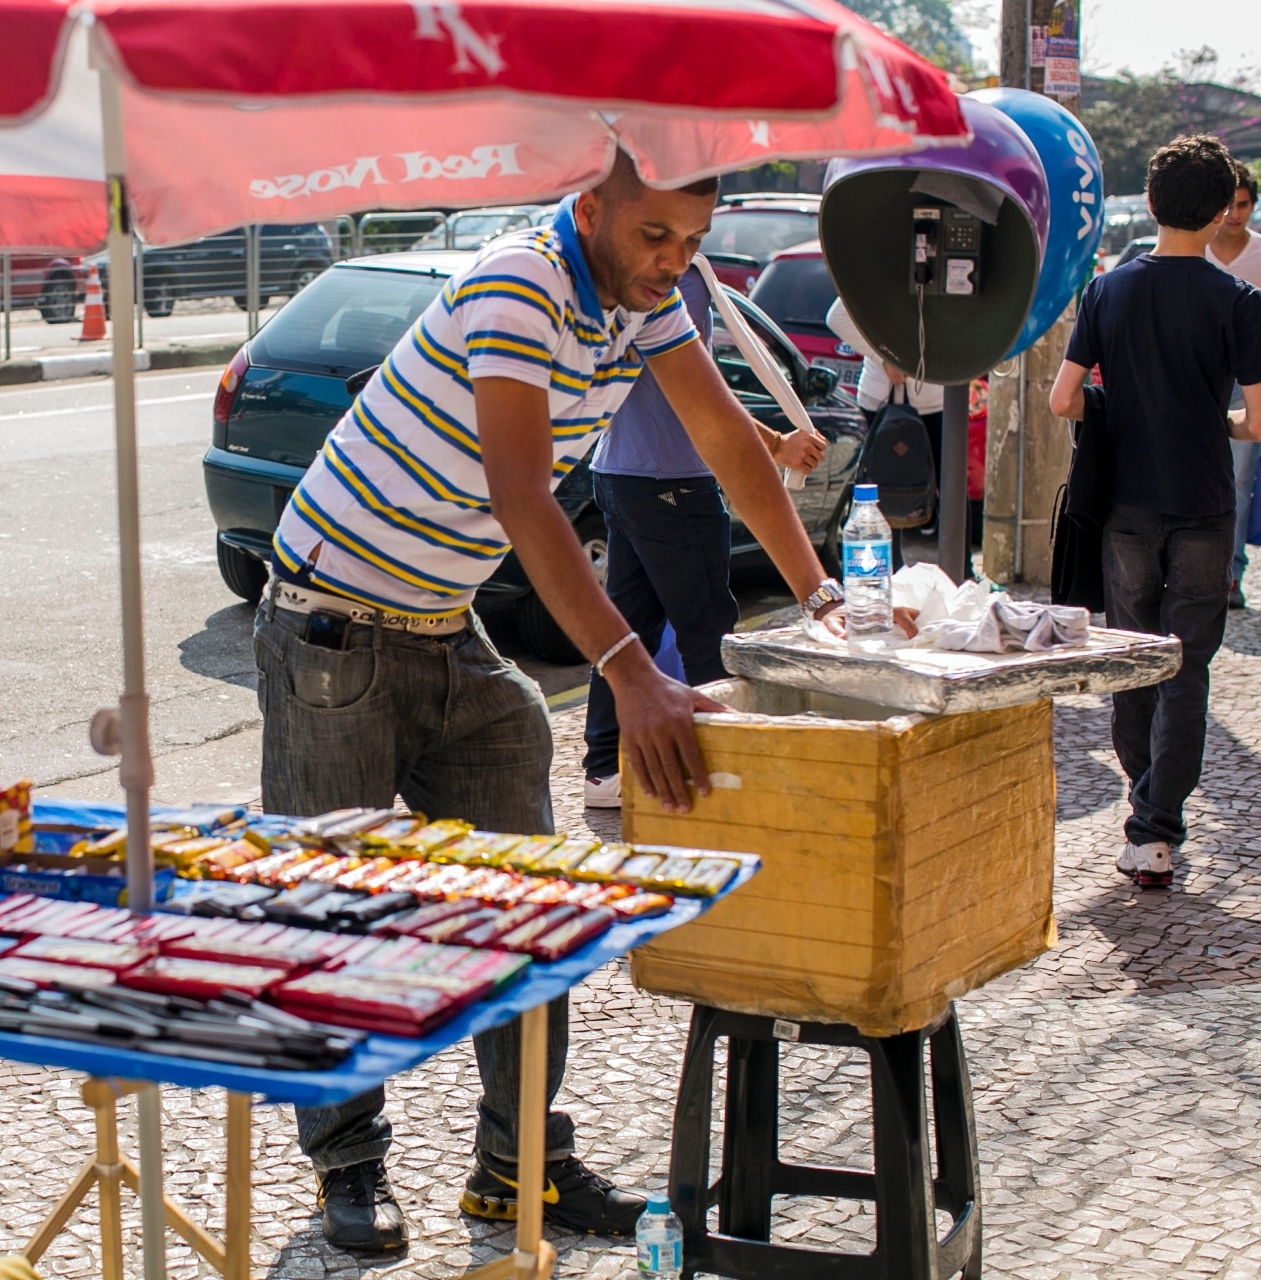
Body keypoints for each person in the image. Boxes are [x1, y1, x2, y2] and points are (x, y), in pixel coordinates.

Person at [256, 154, 851, 1253]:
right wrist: (633, 669)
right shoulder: (520, 279)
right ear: (593, 209)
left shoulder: (648, 300)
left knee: (540, 904)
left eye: (690, 242)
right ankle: (347, 1162)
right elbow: (521, 495)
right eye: (655, 237)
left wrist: (823, 598)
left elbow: (727, 440)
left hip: (445, 621)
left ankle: (520, 1165)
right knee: (327, 907)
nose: (673, 262)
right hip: (329, 622)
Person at [1049, 135, 1261, 891]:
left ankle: (1148, 809)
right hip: (1204, 506)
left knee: (1134, 662)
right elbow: (1256, 422)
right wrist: (1216, 420)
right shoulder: (1235, 301)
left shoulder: (1108, 290)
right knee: (1187, 667)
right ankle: (1156, 827)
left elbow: (1062, 399)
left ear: (1152, 200)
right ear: (1216, 213)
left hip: (1125, 511)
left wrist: (1117, 406)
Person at [581, 264, 826, 808]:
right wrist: (776, 444)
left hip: (619, 472)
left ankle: (603, 770)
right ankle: (725, 773)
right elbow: (691, 394)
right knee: (708, 632)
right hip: (672, 480)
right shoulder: (675, 279)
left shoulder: (625, 275)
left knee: (631, 629)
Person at [827, 292, 945, 544]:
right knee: (882, 484)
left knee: (950, 486)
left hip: (932, 398)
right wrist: (884, 357)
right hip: (883, 399)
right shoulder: (877, 266)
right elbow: (837, 317)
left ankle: (961, 568)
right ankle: (886, 566)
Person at [1205, 162, 1261, 608]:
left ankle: (1229, 574)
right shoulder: (1194, 251)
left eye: (1243, 204)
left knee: (1239, 479)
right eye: (1230, 204)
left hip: (1246, 382)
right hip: (1200, 378)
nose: (1236, 213)